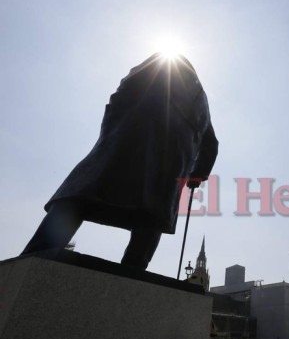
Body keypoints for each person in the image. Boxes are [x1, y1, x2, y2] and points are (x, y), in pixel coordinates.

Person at [21, 53, 219, 270]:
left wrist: (112, 127)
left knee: (81, 195)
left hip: (124, 143)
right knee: (151, 214)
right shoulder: (201, 99)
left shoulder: (157, 66)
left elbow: (121, 93)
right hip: (164, 164)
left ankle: (40, 250)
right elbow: (211, 145)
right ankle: (134, 269)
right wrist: (196, 176)